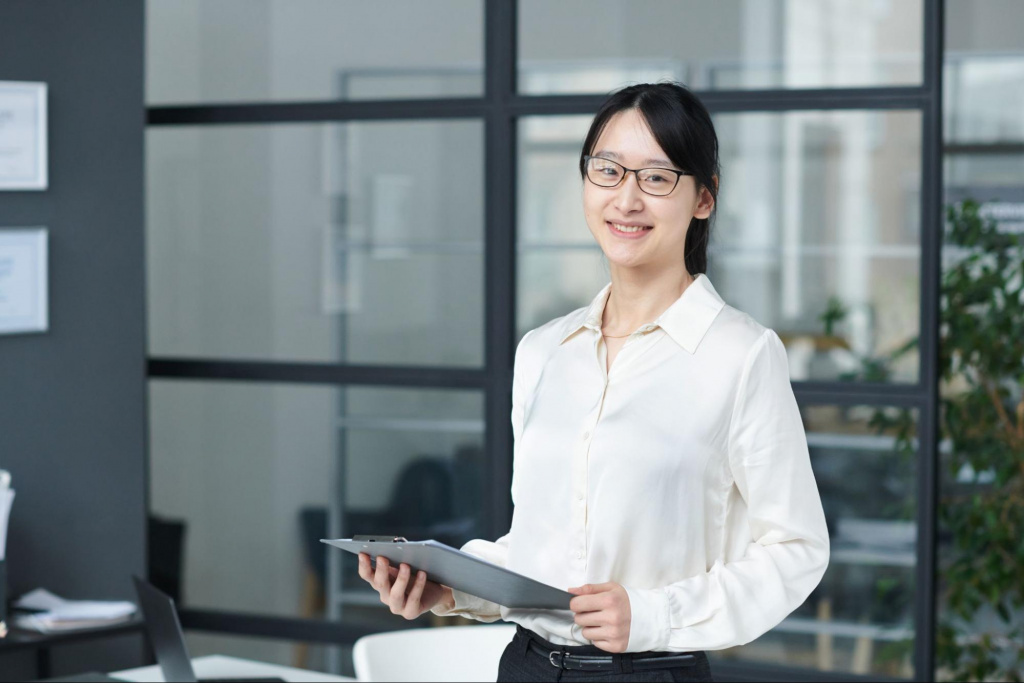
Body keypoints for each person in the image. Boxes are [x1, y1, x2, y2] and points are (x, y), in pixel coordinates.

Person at [357, 82, 830, 682]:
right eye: (608, 170)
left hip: (651, 672)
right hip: (526, 665)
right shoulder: (545, 351)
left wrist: (655, 614)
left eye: (656, 178)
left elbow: (797, 550)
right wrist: (449, 588)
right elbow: (541, 549)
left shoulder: (742, 355)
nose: (626, 199)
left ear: (703, 198)